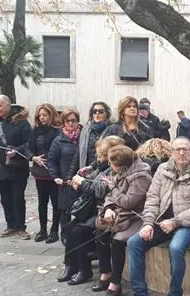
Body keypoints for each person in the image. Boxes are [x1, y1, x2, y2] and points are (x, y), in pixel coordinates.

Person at [116, 137, 190, 296]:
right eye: (177, 149)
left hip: (186, 224)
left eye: (185, 149)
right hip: (161, 222)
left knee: (176, 248)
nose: (181, 153)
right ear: (172, 152)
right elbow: (152, 198)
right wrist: (148, 224)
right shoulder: (162, 169)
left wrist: (175, 221)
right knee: (134, 242)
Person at [58, 136, 125, 285]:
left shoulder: (114, 168)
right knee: (69, 227)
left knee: (78, 231)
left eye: (100, 155)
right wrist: (81, 180)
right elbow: (92, 181)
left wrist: (82, 182)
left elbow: (101, 190)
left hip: (104, 210)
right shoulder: (101, 167)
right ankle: (70, 265)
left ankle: (84, 270)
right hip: (94, 208)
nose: (97, 158)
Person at [96, 145, 152, 296]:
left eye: (111, 164)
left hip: (137, 216)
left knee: (118, 241)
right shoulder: (120, 171)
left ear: (122, 166)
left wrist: (113, 188)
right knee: (100, 232)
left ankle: (115, 284)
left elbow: (128, 202)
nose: (110, 167)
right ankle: (105, 273)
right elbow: (110, 195)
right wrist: (108, 208)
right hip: (119, 213)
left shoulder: (141, 177)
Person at [0, 95, 33, 240]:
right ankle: (10, 225)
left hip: (17, 166)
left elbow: (29, 143)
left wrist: (16, 150)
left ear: (8, 106)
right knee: (5, 198)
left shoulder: (22, 122)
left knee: (17, 197)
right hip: (0, 166)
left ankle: (21, 227)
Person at [29, 104, 61, 243]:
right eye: (40, 115)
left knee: (55, 202)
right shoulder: (35, 131)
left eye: (45, 115)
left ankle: (54, 231)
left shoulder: (57, 131)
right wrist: (33, 157)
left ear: (51, 115)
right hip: (40, 172)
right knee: (42, 202)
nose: (42, 118)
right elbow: (29, 148)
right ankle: (42, 230)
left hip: (53, 172)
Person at [48, 109, 81, 245]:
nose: (71, 123)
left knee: (82, 211)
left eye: (73, 120)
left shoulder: (83, 137)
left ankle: (79, 239)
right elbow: (52, 160)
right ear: (64, 123)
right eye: (68, 121)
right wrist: (55, 176)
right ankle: (66, 241)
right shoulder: (58, 140)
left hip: (81, 181)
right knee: (65, 212)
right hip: (65, 181)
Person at [67, 102, 111, 179]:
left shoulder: (111, 129)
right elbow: (78, 153)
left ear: (106, 114)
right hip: (86, 171)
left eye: (101, 111)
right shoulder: (86, 131)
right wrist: (70, 175)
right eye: (94, 111)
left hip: (105, 171)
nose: (97, 113)